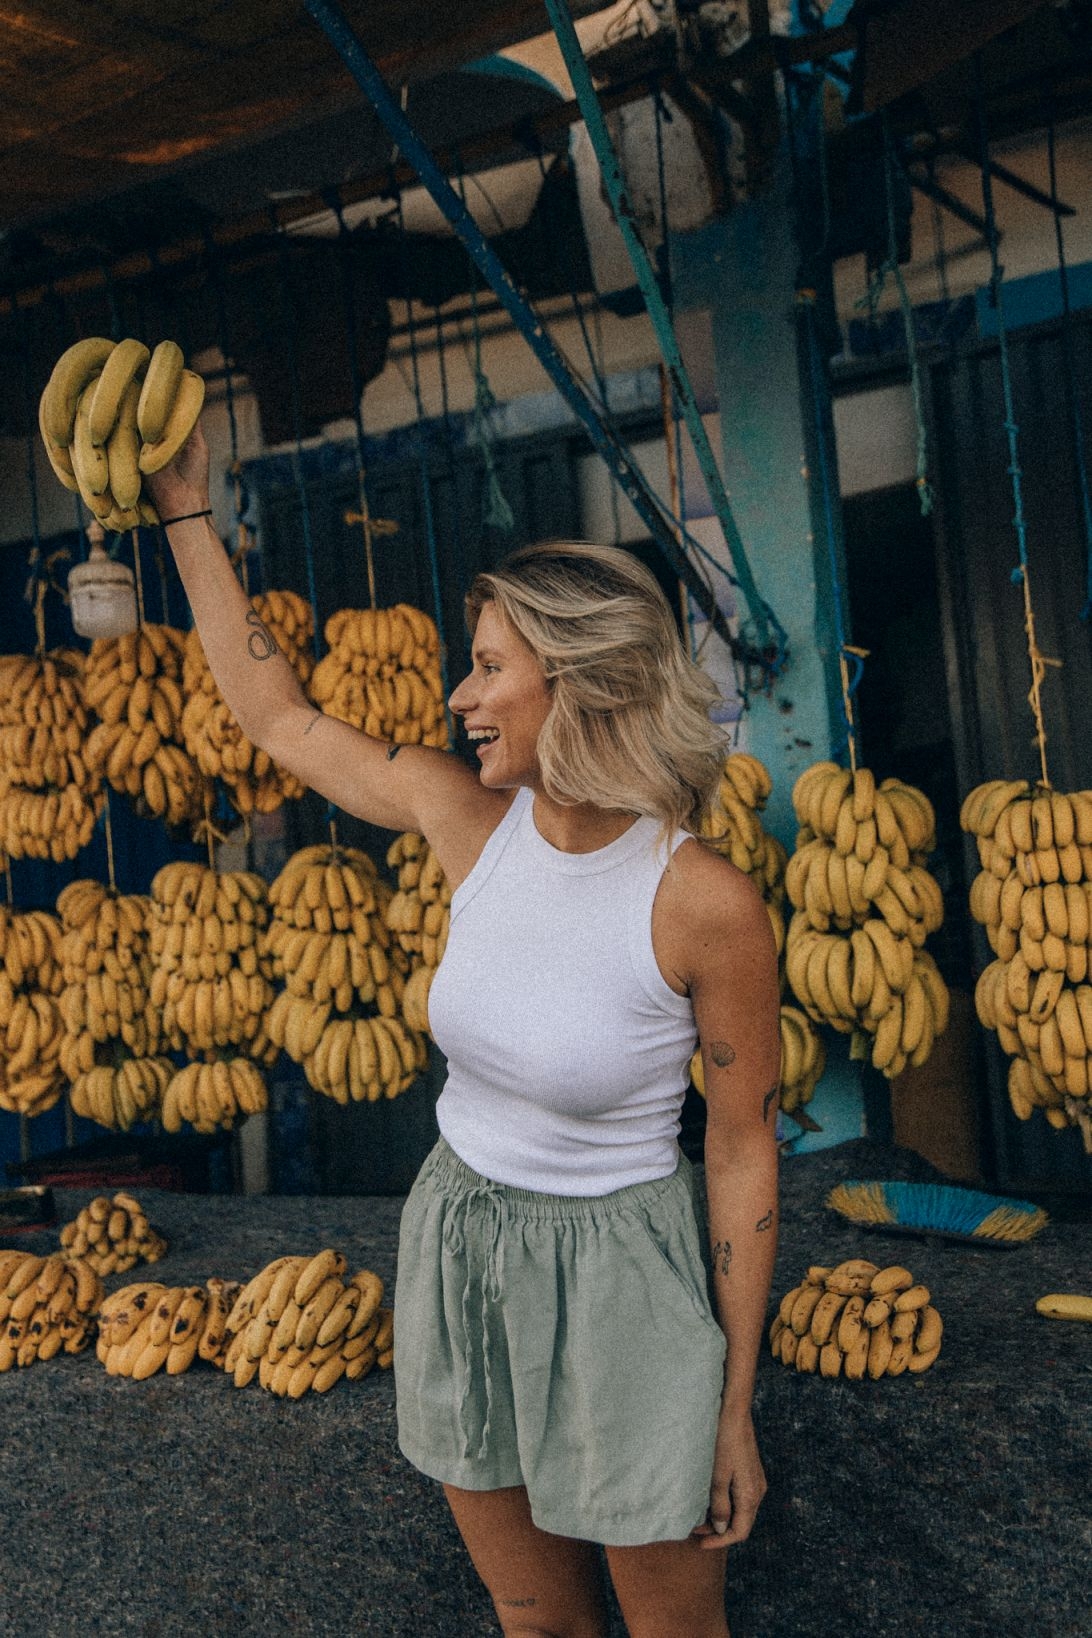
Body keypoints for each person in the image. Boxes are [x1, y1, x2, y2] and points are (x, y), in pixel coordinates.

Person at [149, 423, 781, 1638]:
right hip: (462, 1238)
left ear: (580, 682)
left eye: (490, 668)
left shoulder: (703, 902)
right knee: (537, 1624)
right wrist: (185, 510)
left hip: (625, 1279)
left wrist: (732, 1398)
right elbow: (277, 718)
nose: (459, 697)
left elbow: (745, 1146)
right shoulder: (466, 821)